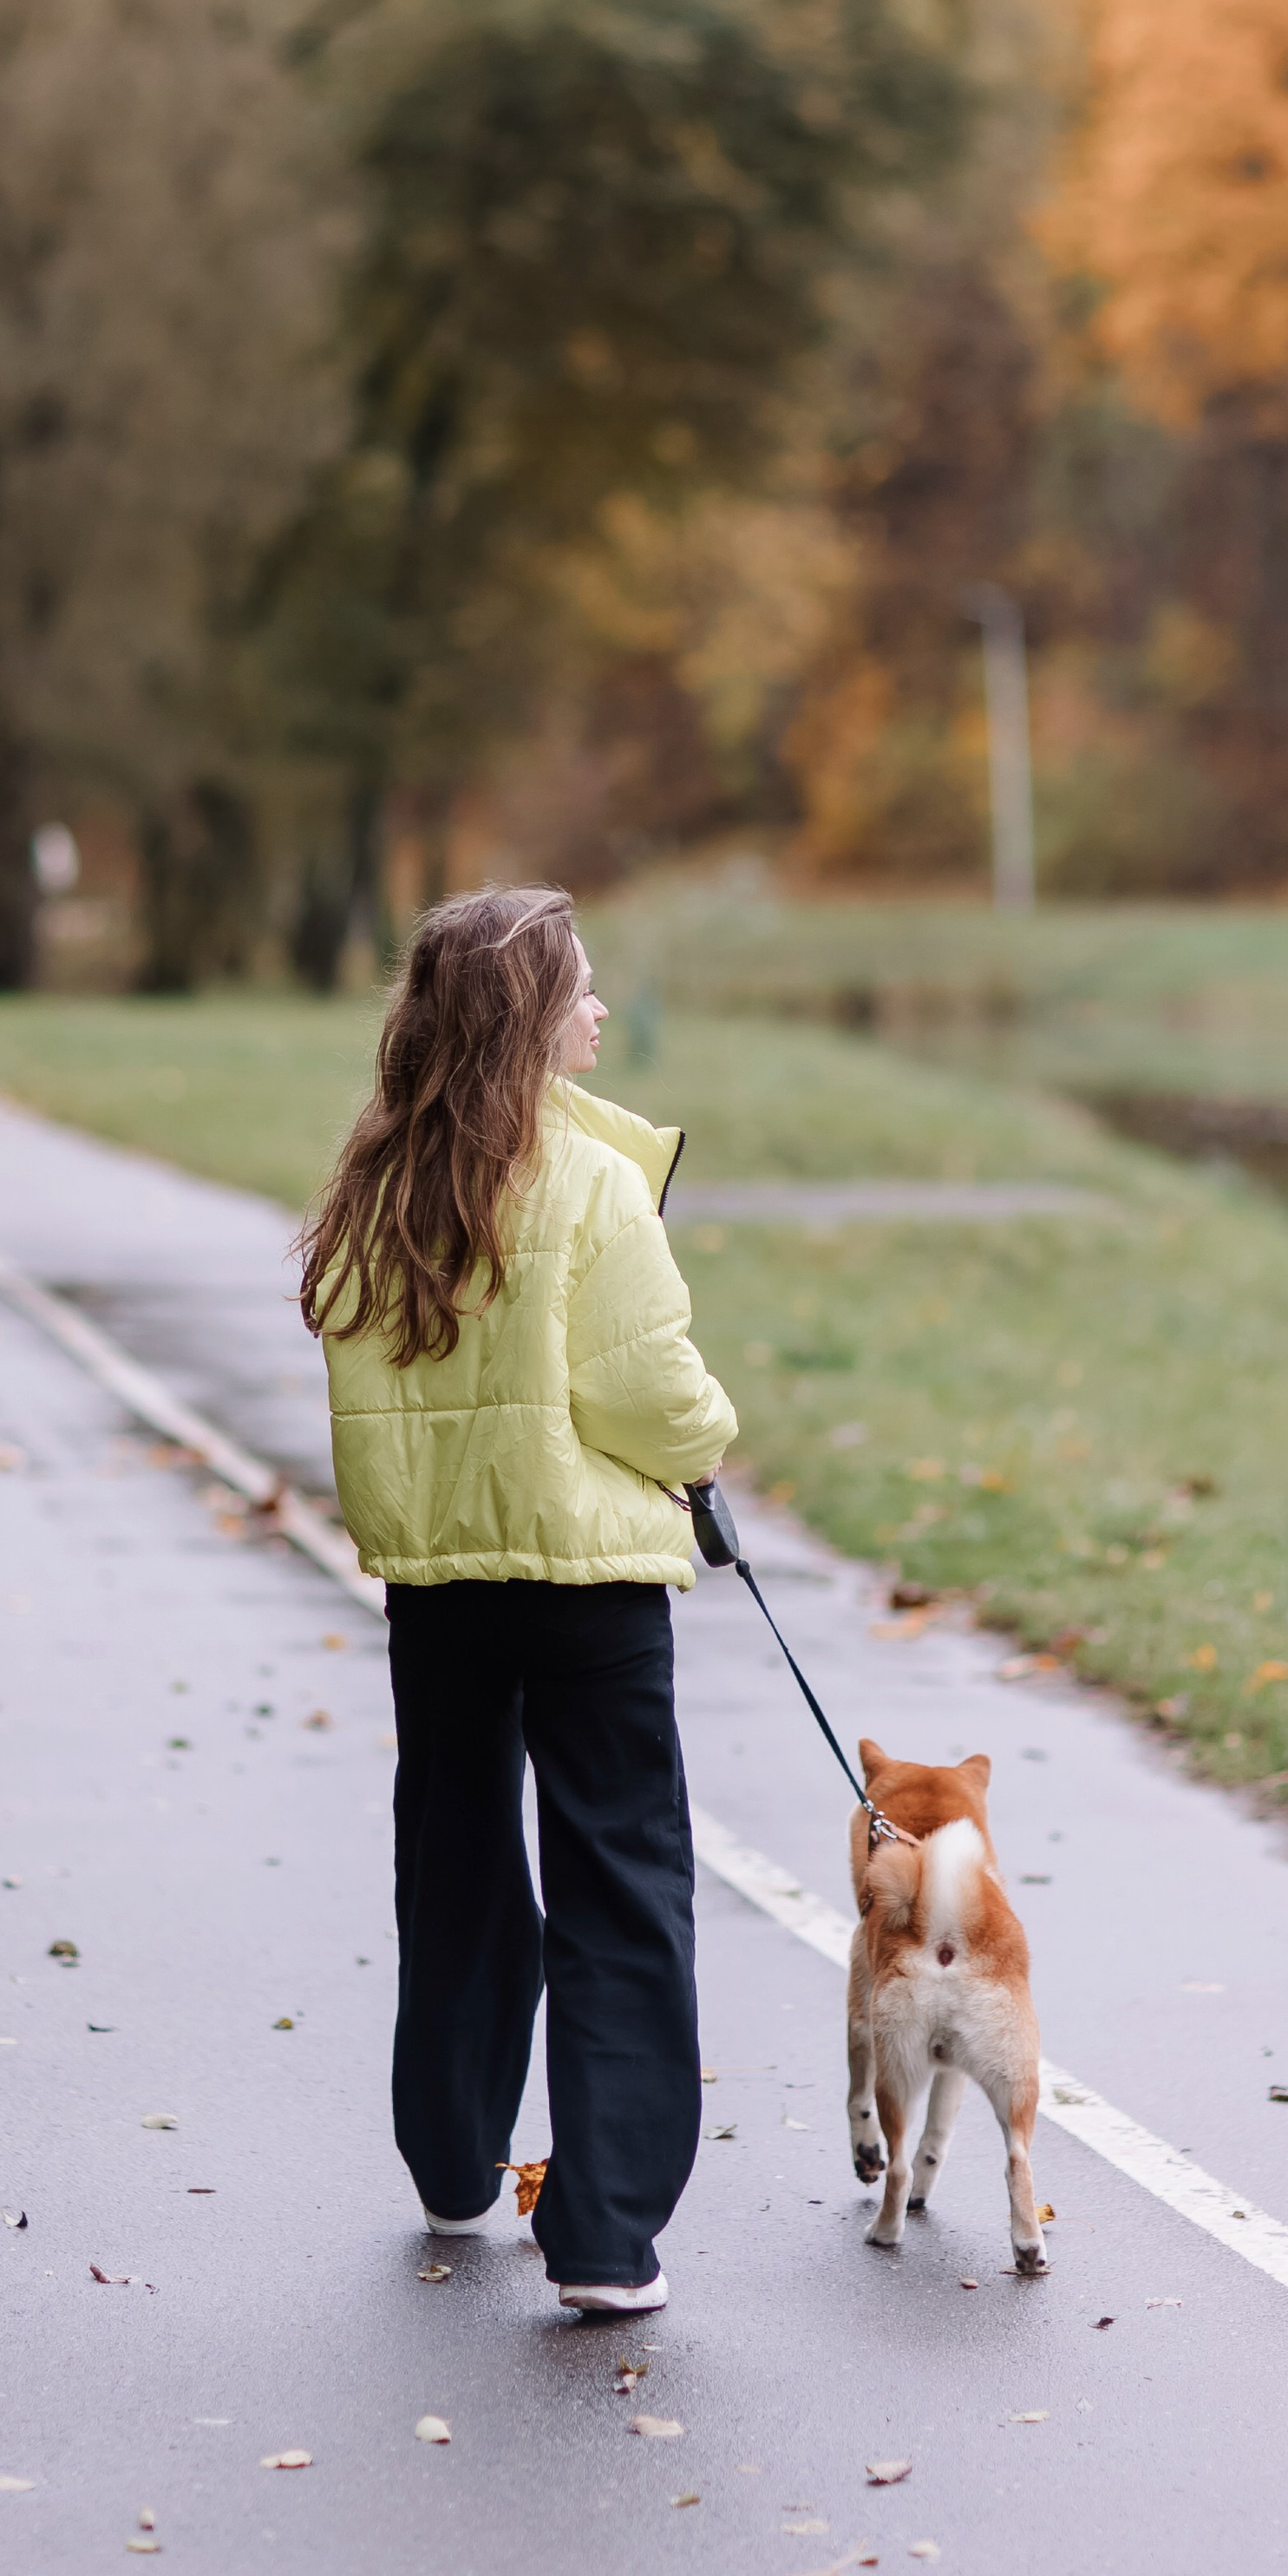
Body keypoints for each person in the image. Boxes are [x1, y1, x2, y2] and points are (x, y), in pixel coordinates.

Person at [300, 886, 736, 2317]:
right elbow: (649, 1394)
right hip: (588, 1586)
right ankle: (605, 2235)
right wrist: (711, 1447)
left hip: (439, 1583)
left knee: (458, 1862)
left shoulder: (376, 1183)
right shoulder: (592, 1181)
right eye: (583, 994)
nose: (602, 1012)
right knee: (620, 1878)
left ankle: (452, 2159)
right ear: (530, 1025)